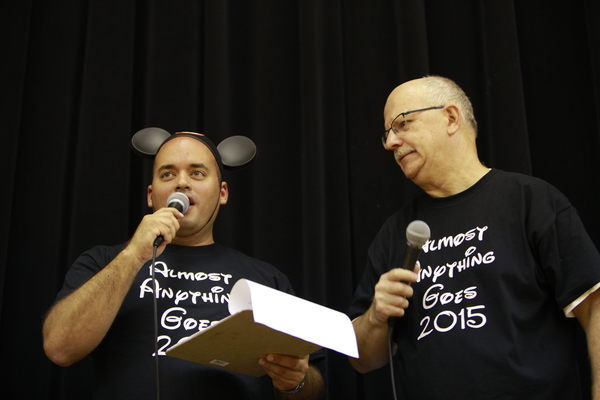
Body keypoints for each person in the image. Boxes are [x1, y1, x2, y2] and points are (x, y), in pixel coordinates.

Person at [348, 76, 600, 399]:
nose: (390, 143)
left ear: (451, 118)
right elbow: (362, 359)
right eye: (387, 134)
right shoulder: (394, 233)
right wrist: (376, 315)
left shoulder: (531, 202)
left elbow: (594, 307)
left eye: (403, 124)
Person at [43, 132, 325, 399]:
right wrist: (133, 255)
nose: (181, 183)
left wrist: (295, 382)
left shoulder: (265, 278)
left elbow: (313, 385)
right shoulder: (104, 261)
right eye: (168, 174)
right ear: (151, 195)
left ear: (222, 193)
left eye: (197, 173)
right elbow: (60, 348)